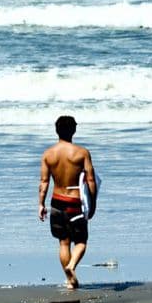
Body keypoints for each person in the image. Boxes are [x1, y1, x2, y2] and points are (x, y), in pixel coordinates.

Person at [37, 115, 97, 289]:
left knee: (63, 242)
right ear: (74, 130)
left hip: (57, 202)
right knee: (81, 241)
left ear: (56, 130)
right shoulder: (81, 153)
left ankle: (70, 280)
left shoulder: (48, 154)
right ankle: (71, 267)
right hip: (75, 202)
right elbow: (91, 180)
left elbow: (44, 182)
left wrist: (41, 204)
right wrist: (92, 202)